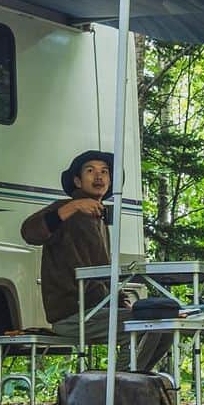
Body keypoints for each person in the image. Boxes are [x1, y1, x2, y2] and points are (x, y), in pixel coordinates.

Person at [20, 149, 170, 372]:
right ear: (77, 180)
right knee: (145, 326)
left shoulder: (98, 217)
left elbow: (102, 269)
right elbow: (29, 232)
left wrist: (121, 300)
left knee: (166, 325)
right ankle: (116, 387)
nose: (98, 177)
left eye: (104, 172)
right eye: (90, 171)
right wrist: (71, 207)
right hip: (72, 314)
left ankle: (134, 383)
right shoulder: (63, 209)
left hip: (98, 311)